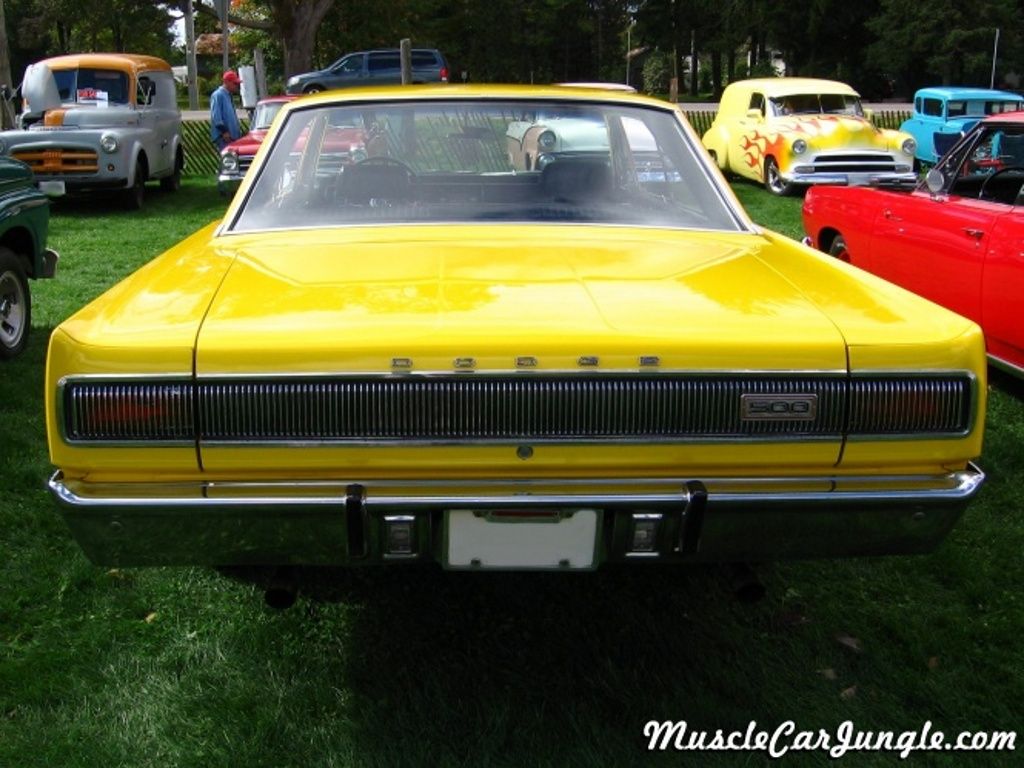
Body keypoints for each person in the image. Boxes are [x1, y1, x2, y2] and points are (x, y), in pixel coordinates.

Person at [210, 70, 242, 150]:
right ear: (227, 82)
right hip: (224, 137)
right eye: (234, 83)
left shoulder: (228, 95)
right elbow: (216, 116)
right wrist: (224, 132)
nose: (236, 86)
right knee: (227, 160)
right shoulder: (218, 95)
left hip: (232, 136)